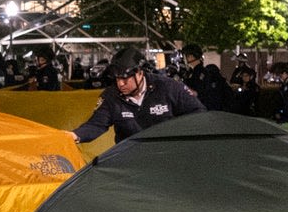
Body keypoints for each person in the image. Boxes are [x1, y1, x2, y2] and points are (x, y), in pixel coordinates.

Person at [68, 46, 207, 144]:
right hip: (129, 159)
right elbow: (96, 124)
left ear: (140, 73)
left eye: (125, 78)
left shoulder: (168, 87)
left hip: (167, 156)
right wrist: (74, 136)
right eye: (117, 79)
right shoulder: (111, 96)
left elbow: (198, 113)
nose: (120, 84)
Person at [181, 43, 234, 111]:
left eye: (185, 56)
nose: (183, 59)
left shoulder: (201, 74)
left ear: (191, 56)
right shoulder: (194, 72)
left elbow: (200, 94)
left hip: (204, 112)